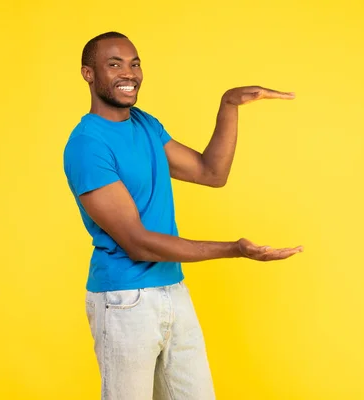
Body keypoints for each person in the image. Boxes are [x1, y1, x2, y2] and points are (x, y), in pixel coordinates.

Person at [63, 31, 303, 400]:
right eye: (114, 64)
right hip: (124, 300)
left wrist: (229, 104)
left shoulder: (144, 124)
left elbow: (211, 173)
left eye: (135, 63)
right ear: (88, 74)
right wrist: (234, 249)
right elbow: (138, 243)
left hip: (172, 289)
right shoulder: (87, 144)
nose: (129, 73)